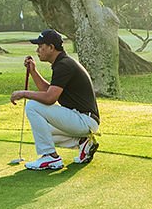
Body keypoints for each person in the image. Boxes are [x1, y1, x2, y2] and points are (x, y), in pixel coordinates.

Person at [10, 29, 100, 170]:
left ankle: (50, 157)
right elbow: (49, 90)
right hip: (82, 119)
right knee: (43, 133)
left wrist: (24, 93)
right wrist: (33, 71)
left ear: (51, 47)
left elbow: (50, 98)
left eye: (41, 46)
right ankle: (83, 142)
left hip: (84, 120)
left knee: (32, 106)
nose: (37, 50)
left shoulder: (64, 65)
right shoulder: (62, 63)